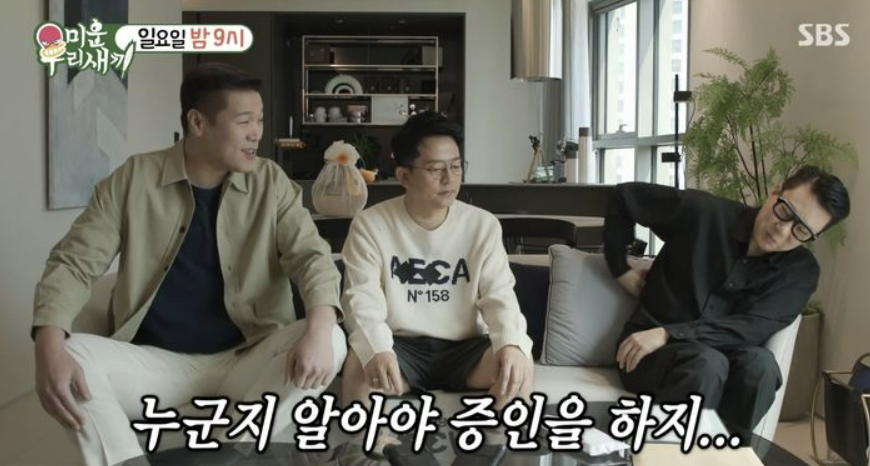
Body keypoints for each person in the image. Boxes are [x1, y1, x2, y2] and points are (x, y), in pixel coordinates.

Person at [32, 62, 346, 466]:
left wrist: (319, 328)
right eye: (244, 121)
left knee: (331, 338)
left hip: (249, 356)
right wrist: (48, 344)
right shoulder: (134, 178)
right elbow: (74, 262)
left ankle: (223, 456)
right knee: (71, 352)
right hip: (156, 363)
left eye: (260, 120)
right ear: (198, 122)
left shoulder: (271, 182)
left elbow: (311, 256)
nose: (257, 133)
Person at [603, 166, 850, 432]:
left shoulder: (800, 272)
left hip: (714, 352)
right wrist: (620, 269)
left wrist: (668, 334)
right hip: (649, 351)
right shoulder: (704, 213)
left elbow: (753, 327)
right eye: (786, 211)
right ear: (776, 191)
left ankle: (725, 451)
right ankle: (670, 451)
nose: (783, 230)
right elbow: (625, 196)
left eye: (800, 230)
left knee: (762, 367)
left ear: (814, 236)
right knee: (706, 364)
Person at [340, 112, 534, 412]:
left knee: (519, 365)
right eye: (435, 169)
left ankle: (501, 441)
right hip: (400, 347)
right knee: (358, 366)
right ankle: (365, 443)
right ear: (404, 176)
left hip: (467, 350)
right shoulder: (370, 225)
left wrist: (511, 343)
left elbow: (500, 295)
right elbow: (361, 298)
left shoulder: (482, 225)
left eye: (456, 166)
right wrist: (376, 347)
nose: (449, 178)